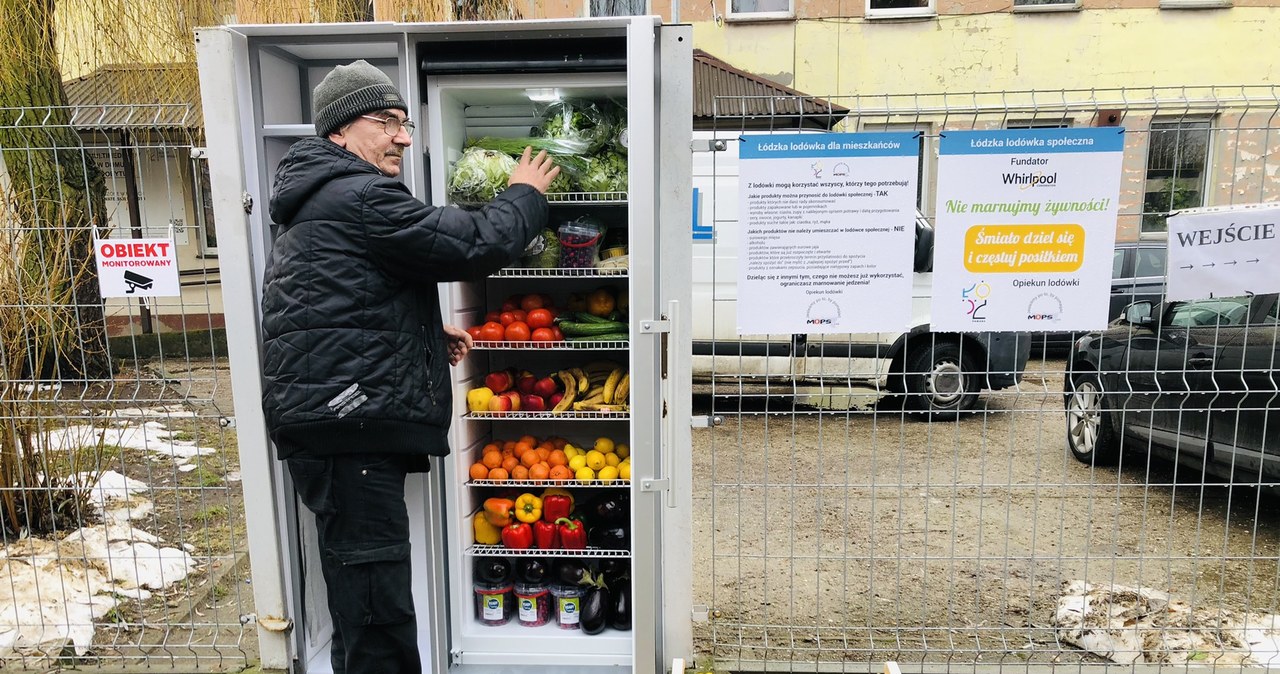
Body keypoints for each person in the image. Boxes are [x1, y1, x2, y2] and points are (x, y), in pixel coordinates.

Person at [259, 60, 559, 674]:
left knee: (362, 595)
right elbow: (473, 243)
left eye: (405, 124)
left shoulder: (323, 194)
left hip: (337, 417)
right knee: (375, 604)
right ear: (340, 133)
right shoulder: (360, 193)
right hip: (348, 423)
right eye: (384, 123)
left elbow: (338, 300)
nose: (401, 137)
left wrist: (422, 331)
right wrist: (525, 191)